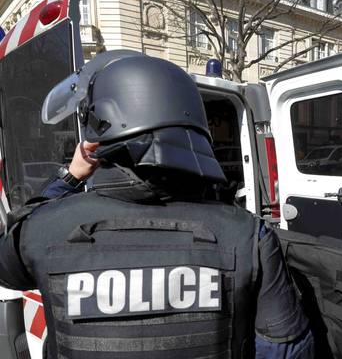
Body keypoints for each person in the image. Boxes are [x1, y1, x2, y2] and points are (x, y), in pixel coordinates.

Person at [0, 50, 313, 358]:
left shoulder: (42, 230)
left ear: (100, 130)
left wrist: (70, 177)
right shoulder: (248, 234)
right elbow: (287, 349)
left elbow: (7, 269)